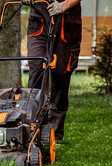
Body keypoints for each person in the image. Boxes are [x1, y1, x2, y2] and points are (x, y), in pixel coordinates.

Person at [22, 0, 82, 142]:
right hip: (39, 20)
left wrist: (64, 5)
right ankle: (33, 130)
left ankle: (54, 134)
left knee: (60, 75)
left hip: (66, 22)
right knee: (37, 70)